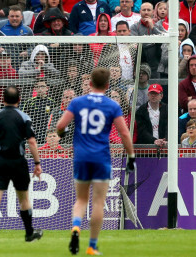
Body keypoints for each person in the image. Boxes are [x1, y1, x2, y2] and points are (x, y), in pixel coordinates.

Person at [56, 67, 135, 256]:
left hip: (81, 157)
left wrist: (64, 133)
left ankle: (76, 228)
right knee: (98, 202)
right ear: (108, 86)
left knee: (81, 199)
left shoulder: (77, 102)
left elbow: (60, 127)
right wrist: (131, 156)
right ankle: (92, 245)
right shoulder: (112, 106)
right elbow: (124, 133)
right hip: (101, 158)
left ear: (90, 83)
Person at [0, 85, 42, 243]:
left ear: (2, 100)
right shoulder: (24, 117)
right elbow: (32, 142)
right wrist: (37, 163)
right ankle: (29, 233)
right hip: (18, 161)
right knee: (24, 198)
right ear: (19, 100)